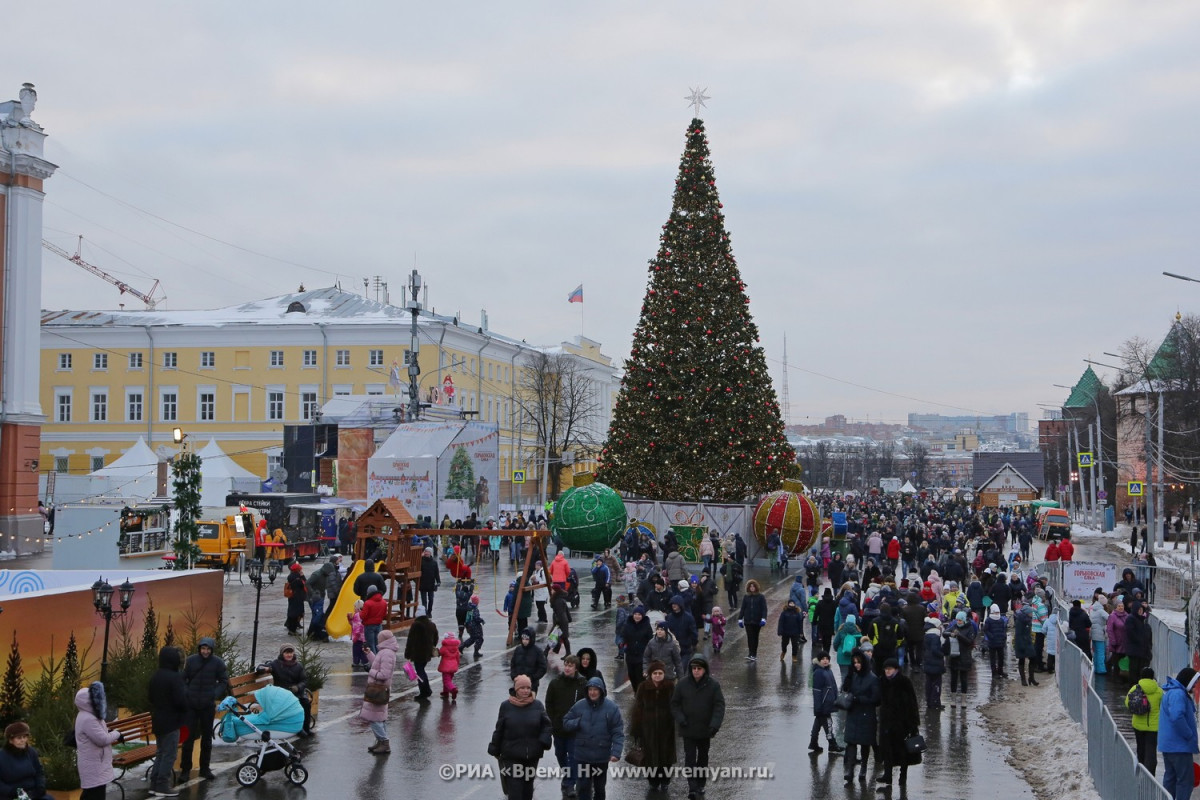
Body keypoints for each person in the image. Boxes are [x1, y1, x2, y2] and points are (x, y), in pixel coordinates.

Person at [488, 675, 553, 800]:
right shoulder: (506, 706)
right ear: (516, 689)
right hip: (511, 755)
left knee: (527, 789)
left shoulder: (537, 705)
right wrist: (494, 748)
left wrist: (543, 741)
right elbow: (499, 729)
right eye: (522, 688)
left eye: (528, 688)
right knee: (515, 790)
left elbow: (547, 726)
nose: (525, 691)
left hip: (532, 755)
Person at [670, 654, 725, 800]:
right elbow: (674, 704)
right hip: (688, 728)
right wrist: (680, 719)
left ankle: (700, 783)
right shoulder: (682, 684)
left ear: (704, 669)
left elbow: (719, 706)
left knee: (702, 757)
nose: (696, 671)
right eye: (694, 668)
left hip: (705, 729)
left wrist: (714, 725)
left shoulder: (713, 685)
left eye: (699, 668)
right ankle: (692, 787)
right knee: (689, 758)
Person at [562, 678, 624, 800]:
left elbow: (617, 732)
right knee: (583, 788)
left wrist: (616, 752)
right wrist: (577, 722)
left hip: (601, 757)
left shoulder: (611, 708)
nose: (592, 692)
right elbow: (566, 722)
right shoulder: (579, 706)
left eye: (595, 689)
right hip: (582, 756)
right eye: (590, 689)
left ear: (601, 691)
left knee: (599, 789)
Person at [180, 637, 228, 781]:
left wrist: (214, 694)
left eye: (208, 649)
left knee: (207, 738)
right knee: (188, 738)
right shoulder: (191, 661)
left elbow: (223, 681)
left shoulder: (218, 663)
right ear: (199, 649)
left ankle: (205, 768)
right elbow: (183, 678)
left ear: (211, 650)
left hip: (207, 706)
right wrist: (187, 693)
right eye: (203, 649)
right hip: (191, 705)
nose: (205, 651)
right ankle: (185, 770)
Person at [630, 660, 677, 791]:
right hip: (648, 728)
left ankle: (665, 780)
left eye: (660, 673)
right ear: (650, 674)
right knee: (650, 756)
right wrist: (636, 729)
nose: (657, 675)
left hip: (666, 728)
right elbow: (638, 709)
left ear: (664, 674)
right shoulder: (643, 687)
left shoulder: (669, 687)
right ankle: (653, 781)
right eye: (655, 673)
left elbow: (675, 706)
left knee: (666, 757)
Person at [146, 646, 187, 796]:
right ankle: (162, 785)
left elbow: (150, 698)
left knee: (161, 752)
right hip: (172, 721)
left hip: (158, 720)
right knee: (169, 754)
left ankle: (154, 783)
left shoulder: (156, 676)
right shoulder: (174, 677)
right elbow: (180, 701)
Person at [545, 655, 587, 797]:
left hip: (574, 729)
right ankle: (567, 775)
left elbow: (586, 705)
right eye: (566, 665)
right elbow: (549, 703)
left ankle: (570, 783)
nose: (568, 668)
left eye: (571, 666)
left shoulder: (582, 684)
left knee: (573, 757)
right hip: (558, 727)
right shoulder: (555, 683)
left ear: (576, 668)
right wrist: (553, 720)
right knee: (560, 754)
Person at [877, 657, 921, 792]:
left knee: (903, 753)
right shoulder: (883, 682)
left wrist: (913, 724)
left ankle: (903, 777)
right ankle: (888, 776)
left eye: (889, 669)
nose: (887, 672)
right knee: (887, 751)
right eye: (886, 669)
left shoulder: (904, 682)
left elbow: (912, 703)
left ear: (896, 669)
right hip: (887, 723)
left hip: (902, 724)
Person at [74, 682, 123, 800]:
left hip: (95, 764)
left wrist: (109, 730)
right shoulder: (88, 718)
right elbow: (102, 739)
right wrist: (117, 733)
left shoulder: (89, 715)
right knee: (95, 795)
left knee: (91, 794)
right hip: (94, 765)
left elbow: (99, 732)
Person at [1158, 667, 1199, 800]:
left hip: (1169, 745)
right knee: (1185, 781)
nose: (1195, 685)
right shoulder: (1178, 694)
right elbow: (1177, 717)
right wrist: (1189, 734)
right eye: (1194, 682)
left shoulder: (1171, 692)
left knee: (1171, 779)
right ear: (1188, 681)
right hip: (1179, 746)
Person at [842, 649, 881, 785]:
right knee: (851, 742)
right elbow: (846, 689)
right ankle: (850, 769)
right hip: (853, 713)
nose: (856, 665)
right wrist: (848, 675)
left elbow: (876, 699)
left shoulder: (873, 679)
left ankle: (863, 766)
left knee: (865, 743)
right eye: (854, 663)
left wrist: (859, 699)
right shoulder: (854, 675)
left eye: (858, 662)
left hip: (866, 714)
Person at [362, 629, 399, 754]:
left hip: (378, 689)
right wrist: (369, 653)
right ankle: (380, 741)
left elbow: (384, 674)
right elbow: (377, 664)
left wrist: (370, 671)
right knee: (379, 717)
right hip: (378, 688)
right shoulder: (385, 652)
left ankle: (384, 742)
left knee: (374, 718)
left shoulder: (387, 653)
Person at [268, 643, 314, 736]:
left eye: (291, 652)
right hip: (282, 693)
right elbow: (263, 666)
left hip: (297, 692)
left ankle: (306, 728)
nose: (289, 655)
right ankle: (298, 729)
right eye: (286, 652)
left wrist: (297, 687)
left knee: (305, 703)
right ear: (282, 654)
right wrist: (263, 668)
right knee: (294, 705)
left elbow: (304, 680)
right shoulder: (275, 664)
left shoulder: (298, 665)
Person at [1126, 667, 1162, 776]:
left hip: (1138, 725)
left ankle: (1141, 771)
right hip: (1154, 727)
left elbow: (1127, 703)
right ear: (1152, 677)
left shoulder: (1134, 689)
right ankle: (1150, 775)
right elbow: (1164, 707)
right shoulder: (1159, 691)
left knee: (1140, 748)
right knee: (1151, 751)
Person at [808, 650, 844, 756]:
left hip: (827, 703)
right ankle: (832, 744)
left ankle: (813, 743)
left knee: (818, 723)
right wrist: (818, 707)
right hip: (823, 704)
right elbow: (817, 691)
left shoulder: (828, 670)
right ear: (819, 660)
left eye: (827, 659)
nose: (825, 661)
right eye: (823, 659)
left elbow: (832, 687)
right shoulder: (819, 672)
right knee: (828, 724)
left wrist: (835, 699)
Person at [0, 721, 46, 799]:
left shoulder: (31, 752)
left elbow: (39, 772)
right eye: (19, 738)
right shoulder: (2, 756)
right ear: (10, 740)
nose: (23, 740)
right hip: (11, 795)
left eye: (24, 737)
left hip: (32, 792)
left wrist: (40, 787)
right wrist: (11, 792)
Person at [406, 606, 439, 701]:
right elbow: (436, 637)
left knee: (420, 672)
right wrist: (431, 646)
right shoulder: (431, 624)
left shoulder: (416, 625)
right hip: (427, 652)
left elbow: (410, 640)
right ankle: (425, 690)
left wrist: (408, 653)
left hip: (417, 652)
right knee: (421, 670)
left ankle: (425, 691)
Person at [946, 611, 976, 707]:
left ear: (963, 620)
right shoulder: (954, 626)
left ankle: (963, 700)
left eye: (959, 620)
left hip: (965, 656)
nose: (958, 622)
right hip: (954, 656)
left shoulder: (970, 627)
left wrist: (959, 635)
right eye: (957, 620)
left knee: (964, 679)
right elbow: (944, 633)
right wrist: (950, 634)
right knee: (953, 679)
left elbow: (969, 642)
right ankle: (953, 699)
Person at [621, 606, 653, 691]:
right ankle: (636, 691)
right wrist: (623, 644)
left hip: (642, 655)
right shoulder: (628, 624)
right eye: (635, 614)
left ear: (642, 616)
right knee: (631, 675)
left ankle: (640, 693)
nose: (637, 616)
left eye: (639, 614)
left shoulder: (646, 626)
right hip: (630, 654)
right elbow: (624, 636)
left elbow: (650, 640)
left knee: (640, 676)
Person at [509, 628, 549, 694]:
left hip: (532, 685)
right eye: (523, 639)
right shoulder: (518, 649)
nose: (524, 641)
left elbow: (543, 668)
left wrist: (532, 678)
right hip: (518, 683)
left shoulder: (537, 651)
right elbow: (513, 664)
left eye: (527, 639)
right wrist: (514, 676)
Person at [738, 580, 768, 662]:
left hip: (757, 621)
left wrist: (763, 618)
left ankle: (754, 653)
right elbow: (743, 608)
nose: (752, 588)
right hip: (748, 621)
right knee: (749, 637)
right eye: (750, 587)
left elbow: (764, 609)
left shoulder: (761, 597)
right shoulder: (746, 597)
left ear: (756, 587)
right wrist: (740, 619)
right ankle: (750, 653)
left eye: (753, 586)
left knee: (755, 637)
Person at [922, 617, 946, 709]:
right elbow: (935, 650)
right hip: (935, 664)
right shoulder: (935, 637)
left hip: (928, 662)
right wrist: (942, 654)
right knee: (936, 684)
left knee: (928, 683)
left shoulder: (926, 635)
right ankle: (935, 703)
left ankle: (929, 702)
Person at [1125, 601, 1153, 680]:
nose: (1140, 611)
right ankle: (1133, 685)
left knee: (1140, 669)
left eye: (1141, 610)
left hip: (1141, 650)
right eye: (1139, 609)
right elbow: (1131, 633)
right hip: (1134, 649)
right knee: (1134, 669)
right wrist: (1140, 640)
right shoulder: (1131, 619)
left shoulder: (1142, 620)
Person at [1013, 602, 1039, 687]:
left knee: (1033, 658)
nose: (1032, 614)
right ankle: (1023, 680)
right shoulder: (1021, 621)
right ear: (1027, 613)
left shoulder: (1027, 620)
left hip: (1027, 642)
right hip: (1021, 643)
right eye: (1031, 612)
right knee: (1022, 660)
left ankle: (1031, 678)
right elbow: (1018, 634)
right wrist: (1021, 645)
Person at [361, 585, 387, 654]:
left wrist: (361, 611)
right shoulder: (383, 602)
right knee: (378, 644)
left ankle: (374, 662)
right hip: (379, 625)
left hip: (369, 626)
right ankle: (379, 659)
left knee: (370, 644)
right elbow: (384, 614)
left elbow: (362, 616)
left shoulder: (367, 603)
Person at [983, 604, 1008, 678]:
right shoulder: (988, 620)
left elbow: (1004, 629)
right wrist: (991, 637)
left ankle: (1000, 671)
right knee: (993, 659)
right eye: (996, 612)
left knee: (1001, 658)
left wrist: (1004, 636)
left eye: (998, 612)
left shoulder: (1001, 620)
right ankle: (994, 673)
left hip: (1000, 641)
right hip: (992, 642)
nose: (997, 614)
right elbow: (986, 630)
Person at [284, 562, 307, 635]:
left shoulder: (290, 576)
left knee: (292, 612)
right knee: (296, 613)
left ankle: (290, 626)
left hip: (292, 597)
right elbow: (304, 583)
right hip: (297, 597)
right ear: (298, 570)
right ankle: (292, 630)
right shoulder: (297, 578)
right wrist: (302, 576)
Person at [438, 631, 462, 701]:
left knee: (446, 680)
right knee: (449, 679)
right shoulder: (456, 648)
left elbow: (439, 653)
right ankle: (445, 692)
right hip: (453, 666)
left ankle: (453, 689)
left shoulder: (444, 647)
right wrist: (457, 664)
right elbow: (457, 657)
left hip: (446, 666)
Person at [549, 587, 573, 657]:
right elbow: (566, 610)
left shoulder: (558, 600)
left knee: (552, 636)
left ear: (555, 591)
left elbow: (560, 613)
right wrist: (569, 618)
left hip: (560, 622)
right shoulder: (560, 599)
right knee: (563, 637)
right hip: (562, 621)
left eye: (552, 589)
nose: (551, 591)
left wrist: (557, 622)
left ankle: (545, 652)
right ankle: (568, 653)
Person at [420, 547, 441, 613]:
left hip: (431, 583)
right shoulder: (421, 561)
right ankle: (425, 611)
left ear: (430, 553)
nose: (426, 553)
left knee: (431, 599)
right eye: (425, 551)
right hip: (423, 583)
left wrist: (438, 581)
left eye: (427, 552)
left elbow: (436, 573)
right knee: (424, 600)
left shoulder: (434, 563)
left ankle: (429, 611)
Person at [348, 600, 368, 671]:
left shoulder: (357, 615)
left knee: (356, 650)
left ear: (357, 607)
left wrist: (356, 636)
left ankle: (356, 662)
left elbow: (357, 626)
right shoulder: (363, 614)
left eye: (354, 607)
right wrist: (350, 619)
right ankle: (364, 661)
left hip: (358, 637)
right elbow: (353, 624)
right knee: (362, 649)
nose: (354, 608)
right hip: (363, 636)